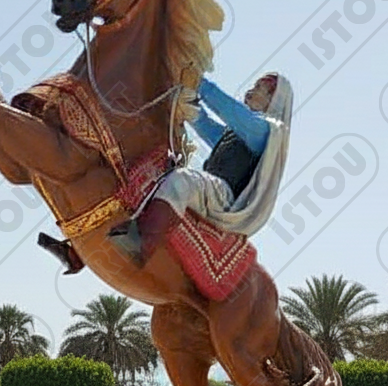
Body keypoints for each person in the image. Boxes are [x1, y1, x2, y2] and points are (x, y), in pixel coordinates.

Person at [108, 71, 292, 267]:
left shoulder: (266, 130)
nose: (250, 92)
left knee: (181, 179)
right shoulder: (238, 133)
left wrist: (200, 84)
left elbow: (230, 111)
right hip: (209, 189)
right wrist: (192, 110)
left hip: (222, 195)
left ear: (272, 100)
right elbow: (209, 128)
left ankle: (143, 244)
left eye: (258, 89)